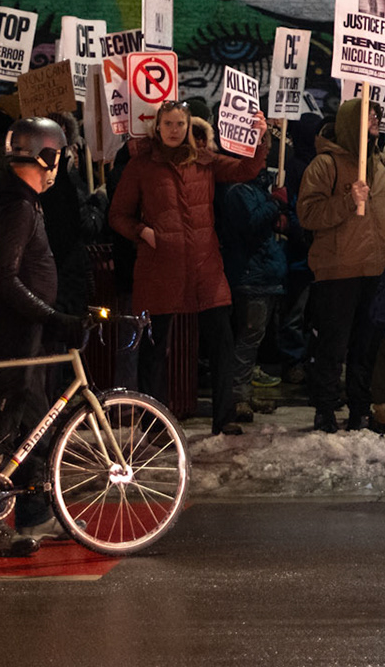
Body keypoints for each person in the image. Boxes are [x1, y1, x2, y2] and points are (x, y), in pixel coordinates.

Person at [108, 99, 269, 437]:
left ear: (188, 126)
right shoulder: (141, 166)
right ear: (157, 127)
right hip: (160, 269)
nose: (174, 130)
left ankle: (224, 417)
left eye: (179, 124)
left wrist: (260, 139)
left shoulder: (205, 161)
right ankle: (155, 423)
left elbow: (246, 170)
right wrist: (143, 232)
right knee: (155, 350)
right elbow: (118, 215)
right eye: (167, 124)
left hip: (204, 268)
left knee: (222, 342)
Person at [0, 117, 86, 556]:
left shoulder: (15, 198)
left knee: (35, 427)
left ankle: (35, 514)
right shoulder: (17, 206)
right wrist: (52, 317)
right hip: (11, 337)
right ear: (48, 156)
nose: (60, 168)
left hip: (24, 335)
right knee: (1, 431)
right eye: (60, 158)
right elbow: (4, 276)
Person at [295, 98, 385, 433]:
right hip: (339, 270)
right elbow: (308, 214)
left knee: (367, 346)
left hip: (379, 269)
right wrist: (350, 201)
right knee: (333, 345)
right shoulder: (325, 165)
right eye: (368, 116)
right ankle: (326, 409)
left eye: (377, 115)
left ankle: (361, 409)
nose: (375, 120)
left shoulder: (380, 163)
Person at [217, 145, 286, 426]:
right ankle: (238, 396)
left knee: (253, 338)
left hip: (262, 273)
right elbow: (250, 223)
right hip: (250, 276)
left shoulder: (252, 188)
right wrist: (275, 204)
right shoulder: (237, 191)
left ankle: (243, 391)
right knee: (247, 339)